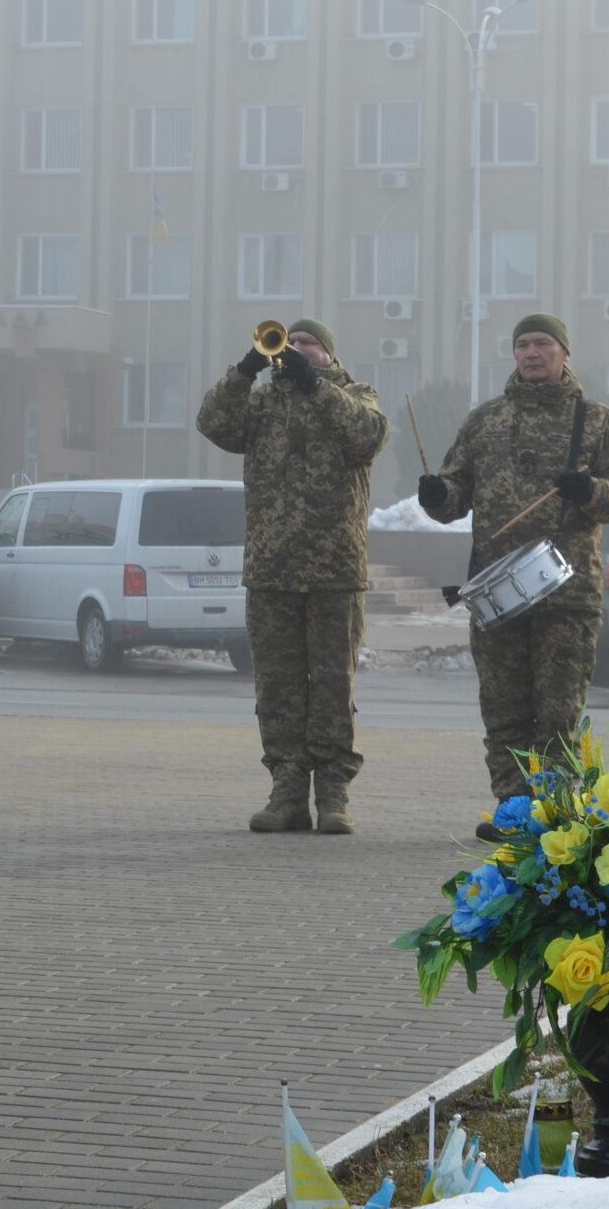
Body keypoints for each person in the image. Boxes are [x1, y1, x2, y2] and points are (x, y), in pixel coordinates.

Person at [417, 314, 609, 839]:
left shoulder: (596, 420)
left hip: (568, 592)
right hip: (496, 591)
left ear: (565, 353)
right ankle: (514, 810)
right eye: (522, 344)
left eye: (543, 343)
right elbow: (455, 493)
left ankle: (557, 816)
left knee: (558, 712)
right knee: (503, 709)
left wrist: (589, 491)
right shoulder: (484, 420)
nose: (532, 352)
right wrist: (438, 496)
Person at [195, 317, 386, 836]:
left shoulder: (356, 394)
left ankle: (333, 796)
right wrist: (245, 370)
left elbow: (366, 438)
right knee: (277, 690)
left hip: (334, 572)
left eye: (308, 343)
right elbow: (212, 422)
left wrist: (313, 383)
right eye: (289, 343)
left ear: (327, 352)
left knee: (331, 688)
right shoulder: (261, 404)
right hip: (271, 569)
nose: (295, 349)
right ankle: (286, 793)